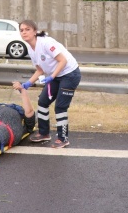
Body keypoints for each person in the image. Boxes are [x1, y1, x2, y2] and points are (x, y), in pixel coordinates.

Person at [17, 20, 81, 148]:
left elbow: (63, 60)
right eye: (22, 30)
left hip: (69, 74)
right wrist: (28, 83)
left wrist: (51, 76)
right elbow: (40, 70)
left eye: (27, 29)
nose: (24, 32)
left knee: (60, 107)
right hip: (55, 76)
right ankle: (44, 133)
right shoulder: (30, 48)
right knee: (43, 102)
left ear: (35, 32)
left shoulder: (46, 42)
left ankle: (63, 139)